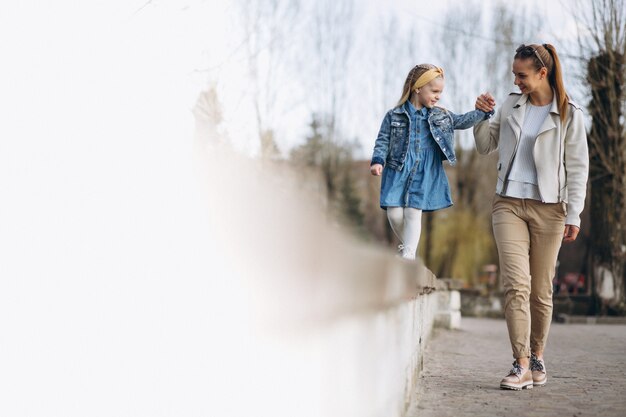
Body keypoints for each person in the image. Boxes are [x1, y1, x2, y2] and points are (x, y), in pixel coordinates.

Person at [473, 43, 589, 390]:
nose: (516, 80)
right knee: (515, 285)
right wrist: (481, 116)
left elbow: (578, 168)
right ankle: (520, 363)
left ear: (543, 73)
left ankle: (537, 356)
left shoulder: (570, 114)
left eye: (522, 75)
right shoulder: (511, 104)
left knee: (540, 290)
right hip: (507, 203)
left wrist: (575, 213)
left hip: (550, 209)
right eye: (514, 75)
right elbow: (484, 145)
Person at [370, 64, 492, 260]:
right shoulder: (394, 115)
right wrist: (377, 161)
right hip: (398, 167)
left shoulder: (441, 115)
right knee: (394, 214)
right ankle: (407, 245)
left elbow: (461, 121)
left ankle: (409, 254)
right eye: (434, 91)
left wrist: (482, 112)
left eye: (440, 92)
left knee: (412, 213)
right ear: (417, 88)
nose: (438, 96)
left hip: (424, 170)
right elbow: (383, 140)